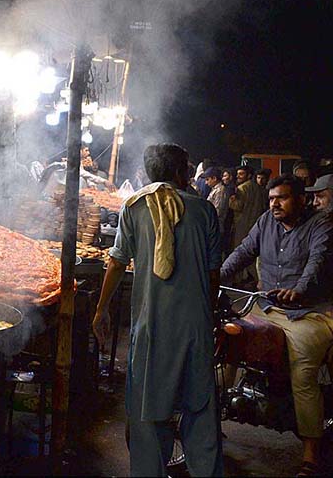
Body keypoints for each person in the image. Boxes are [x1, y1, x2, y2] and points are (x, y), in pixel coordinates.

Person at [93, 143, 223, 477]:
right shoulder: (205, 211)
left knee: (147, 409)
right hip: (195, 326)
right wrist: (209, 316)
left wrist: (101, 310)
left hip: (151, 326)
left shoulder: (133, 208)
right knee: (201, 407)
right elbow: (212, 275)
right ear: (181, 172)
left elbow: (117, 261)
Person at [220, 174, 333, 476]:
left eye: (281, 198)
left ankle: (311, 453)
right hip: (266, 305)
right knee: (228, 341)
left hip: (309, 312)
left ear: (302, 200)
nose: (274, 204)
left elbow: (317, 261)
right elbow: (243, 252)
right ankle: (212, 419)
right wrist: (215, 278)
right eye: (271, 198)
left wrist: (300, 289)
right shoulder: (265, 222)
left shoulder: (320, 224)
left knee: (303, 370)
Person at [203, 167, 228, 232]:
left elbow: (217, 211)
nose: (206, 182)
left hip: (216, 226)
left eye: (207, 179)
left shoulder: (220, 191)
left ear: (214, 178)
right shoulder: (215, 189)